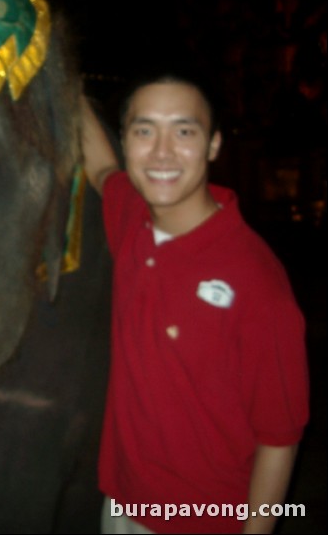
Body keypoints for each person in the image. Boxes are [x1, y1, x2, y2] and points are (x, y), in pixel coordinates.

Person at [80, 74, 309, 534]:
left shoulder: (257, 281)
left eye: (184, 131)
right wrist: (64, 78)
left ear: (213, 144)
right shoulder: (131, 220)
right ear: (125, 141)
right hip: (123, 505)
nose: (162, 152)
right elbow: (101, 169)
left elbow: (279, 439)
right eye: (144, 131)